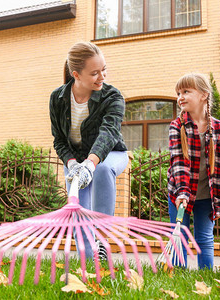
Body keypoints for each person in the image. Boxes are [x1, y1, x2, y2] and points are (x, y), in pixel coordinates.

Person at [49, 41, 129, 260]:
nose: (102, 76)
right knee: (77, 199)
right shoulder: (57, 99)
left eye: (104, 69)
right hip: (76, 160)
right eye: (95, 72)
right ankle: (87, 254)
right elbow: (59, 140)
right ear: (76, 74)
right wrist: (73, 164)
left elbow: (109, 132)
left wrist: (90, 164)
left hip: (111, 153)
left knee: (102, 170)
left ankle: (102, 241)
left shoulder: (112, 96)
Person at [167, 73, 220, 269]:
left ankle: (206, 276)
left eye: (186, 91)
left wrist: (219, 203)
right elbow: (179, 162)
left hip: (206, 195)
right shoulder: (177, 126)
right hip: (179, 192)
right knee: (180, 235)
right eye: (178, 93)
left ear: (203, 95)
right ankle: (177, 276)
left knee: (204, 238)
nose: (180, 97)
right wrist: (183, 193)